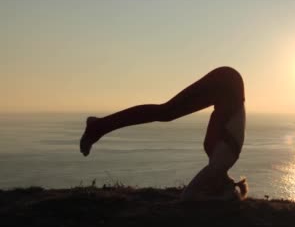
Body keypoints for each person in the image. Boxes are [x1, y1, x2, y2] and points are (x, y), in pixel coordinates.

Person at [79, 66, 248, 201]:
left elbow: (191, 195)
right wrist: (220, 199)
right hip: (227, 84)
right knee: (165, 112)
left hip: (229, 83)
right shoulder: (220, 162)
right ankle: (97, 126)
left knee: (165, 112)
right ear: (220, 186)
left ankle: (98, 126)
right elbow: (188, 197)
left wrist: (220, 195)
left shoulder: (221, 159)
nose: (206, 185)